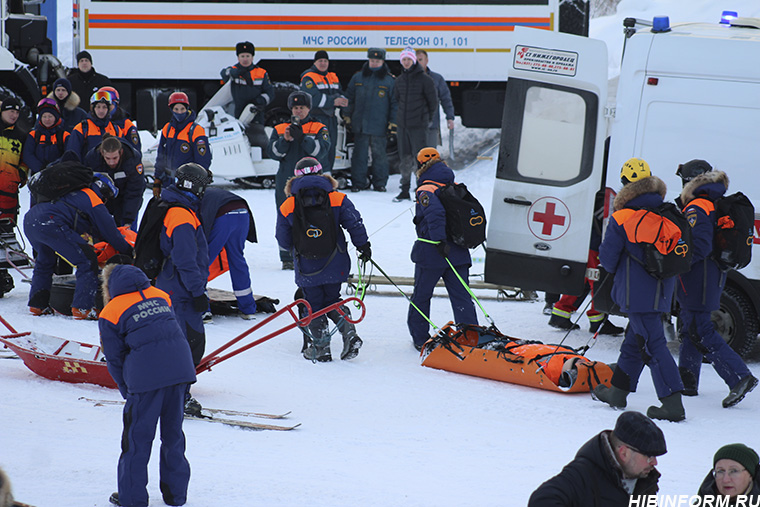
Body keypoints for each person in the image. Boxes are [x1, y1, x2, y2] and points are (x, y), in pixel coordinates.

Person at [593, 158, 686, 422]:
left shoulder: (623, 217)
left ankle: (672, 404)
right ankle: (618, 392)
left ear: (625, 185)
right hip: (663, 291)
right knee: (634, 342)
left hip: (637, 294)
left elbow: (608, 259)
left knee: (653, 346)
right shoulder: (667, 211)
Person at [99, 263, 196, 507]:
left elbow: (114, 358)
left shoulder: (111, 311)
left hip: (146, 379)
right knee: (173, 435)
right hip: (181, 370)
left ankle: (132, 499)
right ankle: (176, 495)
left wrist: (126, 388)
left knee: (136, 441)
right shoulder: (161, 296)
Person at [674, 159, 758, 408]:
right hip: (707, 275)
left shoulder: (697, 207)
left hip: (699, 276)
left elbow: (699, 245)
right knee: (690, 329)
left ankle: (740, 377)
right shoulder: (712, 202)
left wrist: (677, 261)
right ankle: (686, 381)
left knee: (701, 330)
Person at [276, 157, 369, 362]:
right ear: (321, 173)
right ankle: (350, 334)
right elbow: (355, 223)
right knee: (332, 299)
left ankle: (321, 348)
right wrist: (363, 246)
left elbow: (282, 239)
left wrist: (298, 246)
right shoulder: (337, 198)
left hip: (307, 264)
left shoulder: (288, 204)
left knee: (314, 303)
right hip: (336, 260)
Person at [24, 164, 132, 319]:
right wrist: (128, 250)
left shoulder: (71, 194)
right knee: (87, 261)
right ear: (102, 190)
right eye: (106, 197)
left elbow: (92, 227)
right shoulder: (91, 197)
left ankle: (37, 305)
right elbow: (110, 232)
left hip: (31, 221)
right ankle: (83, 309)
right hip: (51, 223)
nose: (105, 201)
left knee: (45, 261)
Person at [154, 162, 211, 413]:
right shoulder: (181, 216)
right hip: (181, 292)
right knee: (188, 344)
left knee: (179, 342)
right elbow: (186, 261)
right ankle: (178, 395)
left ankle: (173, 389)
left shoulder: (174, 206)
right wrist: (198, 293)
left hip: (171, 286)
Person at [408, 148, 477, 351]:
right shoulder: (453, 184)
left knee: (421, 295)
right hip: (459, 250)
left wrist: (439, 241)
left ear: (420, 166)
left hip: (433, 252)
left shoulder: (426, 189)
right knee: (462, 296)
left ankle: (420, 337)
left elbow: (436, 214)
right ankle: (470, 335)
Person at [528, 410, 665, 505]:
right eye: (649, 456)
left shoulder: (645, 481)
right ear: (624, 453)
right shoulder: (583, 474)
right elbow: (541, 499)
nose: (655, 462)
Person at [268, 91, 330, 270]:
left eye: (302, 108)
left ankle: (310, 251)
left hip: (311, 181)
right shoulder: (280, 129)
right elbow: (274, 153)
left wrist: (303, 138)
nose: (298, 111)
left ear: (308, 108)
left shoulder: (319, 128)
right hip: (286, 181)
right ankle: (286, 256)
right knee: (285, 217)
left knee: (312, 215)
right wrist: (285, 141)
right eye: (295, 108)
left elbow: (320, 152)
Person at [200, 187, 258, 319]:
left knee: (202, 262)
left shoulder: (191, 199)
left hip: (223, 216)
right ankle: (248, 308)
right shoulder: (210, 192)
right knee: (237, 259)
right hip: (243, 212)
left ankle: (203, 311)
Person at [345, 47, 397, 193]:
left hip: (379, 125)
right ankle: (358, 183)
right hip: (360, 125)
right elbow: (349, 98)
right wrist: (347, 115)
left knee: (379, 156)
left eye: (377, 61)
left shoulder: (389, 81)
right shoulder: (358, 78)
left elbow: (395, 103)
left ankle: (380, 183)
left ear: (382, 61)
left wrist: (393, 123)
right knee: (359, 156)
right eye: (372, 60)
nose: (374, 63)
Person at [392, 47, 437, 202]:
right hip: (403, 126)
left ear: (414, 60)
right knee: (405, 158)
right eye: (404, 59)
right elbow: (397, 99)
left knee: (421, 159)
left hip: (418, 125)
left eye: (409, 59)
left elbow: (433, 102)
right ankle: (404, 190)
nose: (406, 62)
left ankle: (422, 189)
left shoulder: (425, 80)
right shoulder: (399, 80)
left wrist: (426, 119)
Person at [153, 92, 211, 199]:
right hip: (168, 182)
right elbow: (161, 155)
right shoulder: (168, 128)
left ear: (187, 109)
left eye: (182, 109)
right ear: (171, 109)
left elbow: (203, 160)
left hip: (187, 183)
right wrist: (157, 179)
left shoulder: (196, 130)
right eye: (176, 109)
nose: (179, 112)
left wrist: (198, 182)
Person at [300, 50, 348, 174]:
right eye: (320, 61)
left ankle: (328, 175)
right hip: (317, 118)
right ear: (315, 62)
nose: (323, 63)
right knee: (320, 149)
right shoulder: (308, 77)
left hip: (331, 118)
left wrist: (343, 100)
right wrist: (334, 101)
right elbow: (313, 98)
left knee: (330, 149)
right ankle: (320, 176)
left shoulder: (332, 76)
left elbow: (339, 92)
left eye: (325, 61)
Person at [84, 135, 146, 228]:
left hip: (127, 200)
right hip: (103, 201)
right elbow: (88, 187)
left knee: (128, 233)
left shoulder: (132, 159)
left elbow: (135, 191)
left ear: (121, 152)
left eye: (115, 158)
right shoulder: (92, 159)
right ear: (102, 153)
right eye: (108, 158)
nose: (111, 162)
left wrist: (128, 220)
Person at [220, 41, 275, 121]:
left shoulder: (261, 72)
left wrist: (259, 101)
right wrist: (235, 73)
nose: (245, 59)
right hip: (238, 112)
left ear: (252, 57)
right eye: (242, 56)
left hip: (256, 112)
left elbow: (270, 93)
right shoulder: (234, 70)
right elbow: (224, 73)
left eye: (248, 56)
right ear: (238, 58)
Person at [65, 89, 122, 162]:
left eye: (104, 107)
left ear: (108, 109)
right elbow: (72, 154)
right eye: (98, 107)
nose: (101, 111)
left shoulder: (116, 129)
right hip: (88, 171)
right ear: (93, 108)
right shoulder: (81, 128)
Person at [415, 49, 455, 148]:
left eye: (420, 60)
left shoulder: (437, 79)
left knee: (430, 155)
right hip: (413, 126)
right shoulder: (406, 79)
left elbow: (446, 99)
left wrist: (450, 117)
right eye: (415, 60)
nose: (418, 63)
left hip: (431, 125)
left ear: (426, 60)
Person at [0, 97, 28, 224]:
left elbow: (25, 160)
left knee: (7, 230)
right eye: (11, 111)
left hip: (9, 190)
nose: (14, 115)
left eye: (17, 113)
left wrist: (21, 174)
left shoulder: (21, 135)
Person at [99, 86, 141, 154]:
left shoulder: (126, 125)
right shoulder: (90, 124)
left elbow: (135, 152)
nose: (105, 109)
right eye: (102, 105)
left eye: (109, 105)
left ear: (116, 104)